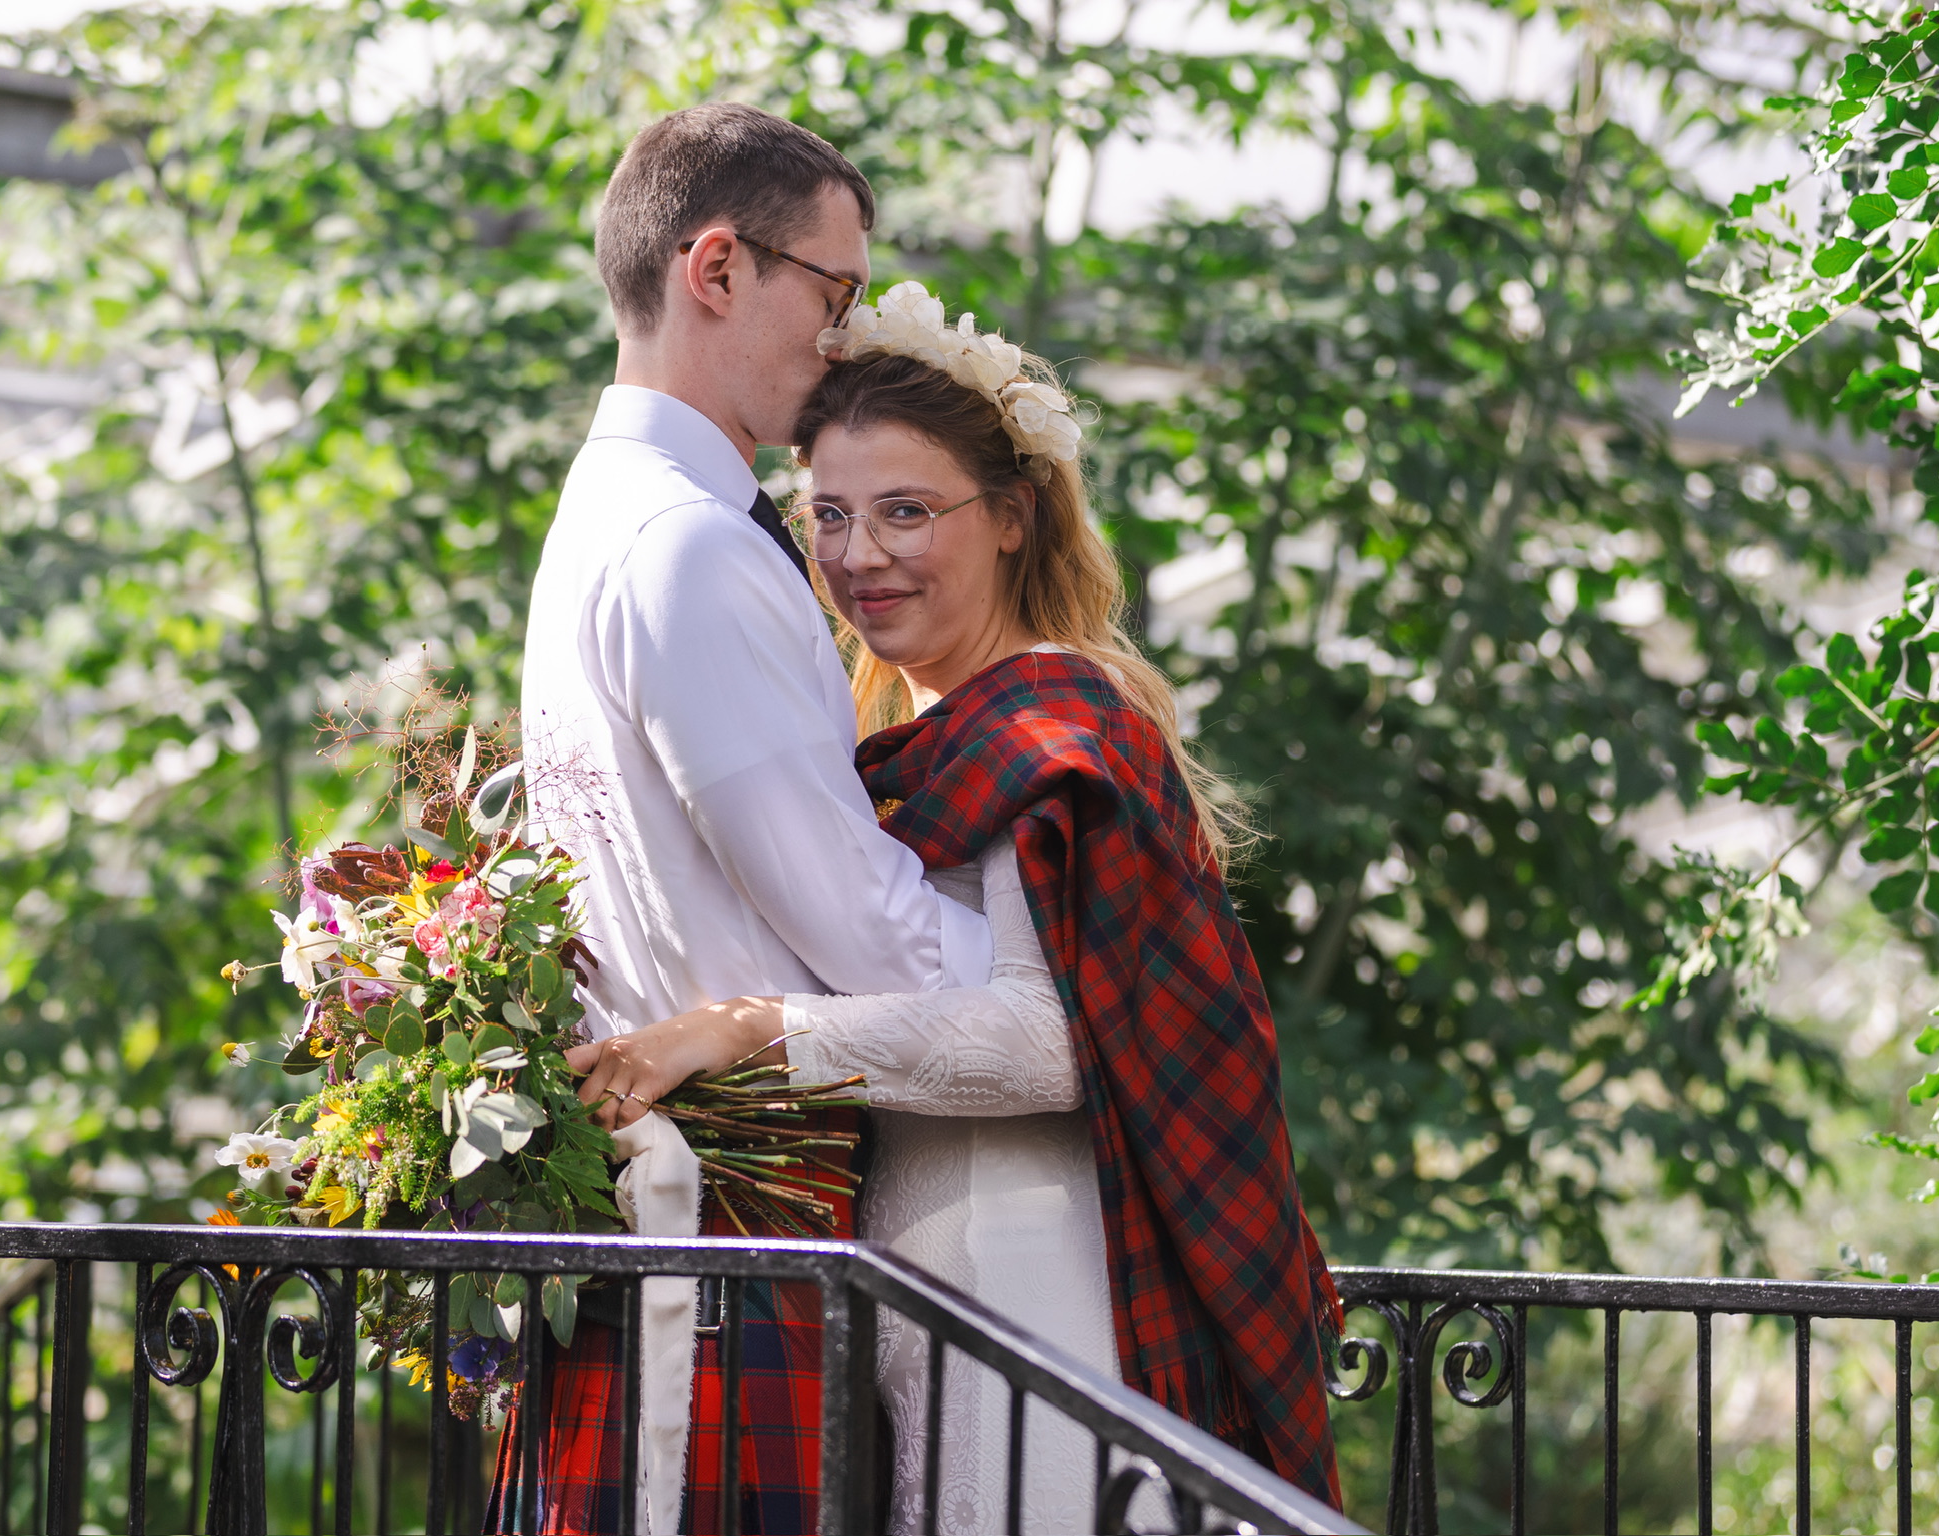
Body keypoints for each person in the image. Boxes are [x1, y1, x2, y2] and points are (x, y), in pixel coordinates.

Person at [577, 283, 1345, 1530]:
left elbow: (1055, 1041)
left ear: (1010, 519)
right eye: (828, 514)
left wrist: (751, 1029)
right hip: (927, 1295)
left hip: (1033, 1292)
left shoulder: (1057, 725)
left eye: (905, 512)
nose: (859, 554)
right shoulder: (918, 734)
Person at [494, 108, 994, 1536]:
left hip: (691, 1225)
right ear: (717, 267)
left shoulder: (617, 513)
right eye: (831, 296)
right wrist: (1051, 978)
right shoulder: (691, 544)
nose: (843, 339)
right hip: (735, 1238)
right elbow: (860, 928)